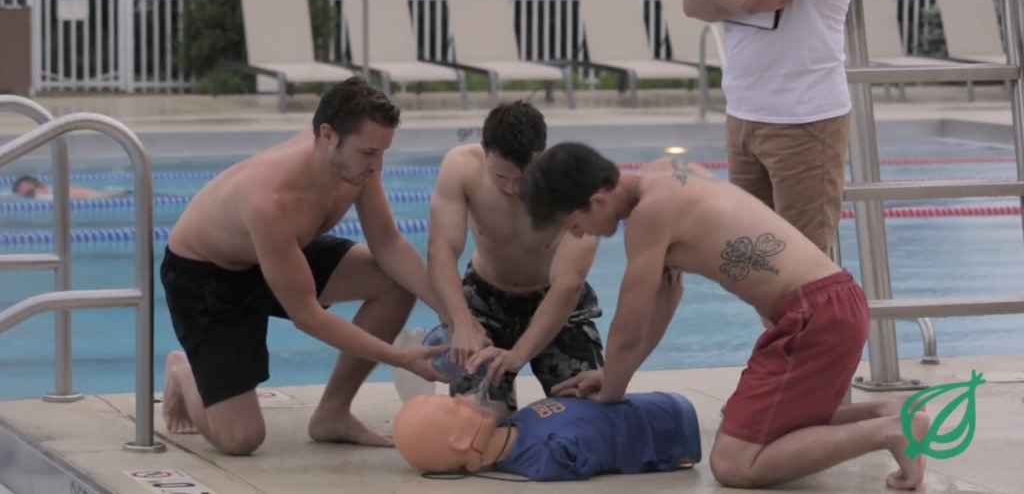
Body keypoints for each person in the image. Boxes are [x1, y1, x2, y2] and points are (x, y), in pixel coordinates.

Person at [517, 142, 931, 491]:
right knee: (748, 425)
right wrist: (611, 376)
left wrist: (610, 395)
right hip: (828, 306)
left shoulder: (649, 217)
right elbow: (667, 297)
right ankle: (886, 412)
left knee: (735, 463)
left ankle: (890, 431)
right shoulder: (664, 172)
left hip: (813, 317)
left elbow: (629, 327)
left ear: (597, 200)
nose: (579, 236)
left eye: (575, 225)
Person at [159, 76, 453, 456]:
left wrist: (454, 314)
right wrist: (400, 358)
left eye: (382, 152)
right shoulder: (270, 199)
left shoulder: (353, 162)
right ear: (328, 135)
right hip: (208, 277)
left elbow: (389, 245)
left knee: (393, 281)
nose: (377, 164)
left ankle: (333, 412)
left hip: (281, 251)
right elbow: (308, 316)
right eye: (368, 152)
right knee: (241, 439)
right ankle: (185, 371)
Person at [682, 0, 859, 328]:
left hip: (804, 117)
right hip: (744, 110)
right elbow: (694, 6)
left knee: (807, 275)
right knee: (759, 271)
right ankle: (785, 379)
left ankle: (823, 389)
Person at [427, 101, 604, 415]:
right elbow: (441, 251)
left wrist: (518, 354)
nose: (511, 189)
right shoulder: (462, 167)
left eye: (523, 179)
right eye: (501, 177)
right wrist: (461, 320)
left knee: (585, 414)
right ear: (485, 150)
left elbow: (568, 284)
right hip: (485, 302)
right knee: (476, 421)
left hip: (556, 307)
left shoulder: (574, 184)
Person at [392, 390, 702, 481]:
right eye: (456, 406)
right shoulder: (543, 458)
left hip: (654, 404)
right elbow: (584, 456)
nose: (463, 395)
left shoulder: (514, 424)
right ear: (459, 442)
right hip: (669, 431)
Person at [11, 175, 131, 200]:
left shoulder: (57, 193)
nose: (32, 197)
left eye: (30, 194)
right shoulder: (55, 192)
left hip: (109, 196)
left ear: (41, 187)